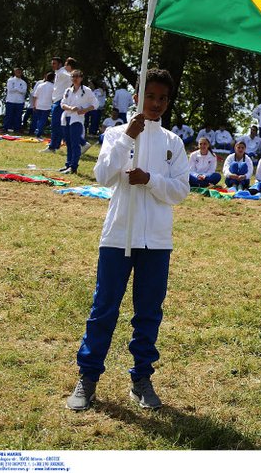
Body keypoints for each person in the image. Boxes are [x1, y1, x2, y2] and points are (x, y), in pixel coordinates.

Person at [66, 68, 189, 412]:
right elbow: (103, 176)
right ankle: (88, 377)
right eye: (150, 96)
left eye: (162, 98)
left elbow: (180, 191)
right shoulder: (116, 133)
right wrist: (125, 139)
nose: (156, 103)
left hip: (157, 241)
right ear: (136, 97)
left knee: (148, 312)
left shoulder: (173, 142)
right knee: (104, 308)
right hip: (118, 235)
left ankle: (141, 378)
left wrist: (150, 179)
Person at [59, 70, 98, 175]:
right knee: (68, 143)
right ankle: (68, 164)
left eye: (77, 76)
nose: (75, 78)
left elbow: (95, 104)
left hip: (77, 119)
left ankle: (73, 167)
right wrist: (70, 107)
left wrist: (85, 110)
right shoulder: (68, 90)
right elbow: (62, 104)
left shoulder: (86, 90)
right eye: (73, 76)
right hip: (66, 118)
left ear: (81, 78)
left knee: (75, 143)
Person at [44, 57, 74, 154]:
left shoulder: (62, 73)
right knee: (58, 124)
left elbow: (72, 77)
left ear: (60, 64)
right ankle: (55, 145)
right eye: (52, 63)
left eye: (54, 63)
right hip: (57, 100)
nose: (53, 65)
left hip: (60, 100)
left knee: (55, 124)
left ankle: (53, 146)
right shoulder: (59, 73)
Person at [31, 71, 54, 137]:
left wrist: (34, 105)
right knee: (43, 120)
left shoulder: (40, 85)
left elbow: (35, 96)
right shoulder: (53, 87)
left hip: (38, 104)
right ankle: (39, 132)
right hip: (47, 105)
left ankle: (37, 130)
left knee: (39, 120)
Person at [4, 67, 27, 133]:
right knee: (8, 115)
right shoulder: (10, 80)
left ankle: (17, 129)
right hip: (10, 100)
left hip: (19, 101)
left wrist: (16, 89)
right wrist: (18, 89)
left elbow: (24, 91)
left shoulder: (23, 82)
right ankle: (5, 128)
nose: (19, 73)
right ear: (14, 72)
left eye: (20, 71)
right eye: (17, 71)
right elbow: (10, 89)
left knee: (18, 116)